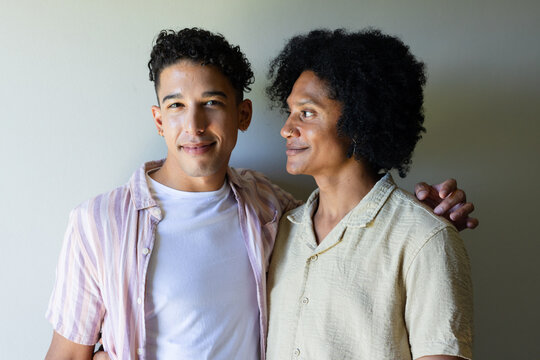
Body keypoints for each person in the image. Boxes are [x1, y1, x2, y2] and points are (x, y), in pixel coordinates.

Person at [45, 28, 476, 360]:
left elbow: (377, 228)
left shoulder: (271, 211)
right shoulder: (100, 222)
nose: (193, 126)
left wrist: (423, 224)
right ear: (159, 119)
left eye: (211, 102)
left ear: (242, 113)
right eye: (176, 105)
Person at [265, 28, 474, 360]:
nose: (286, 129)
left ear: (359, 124)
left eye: (307, 113)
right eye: (290, 112)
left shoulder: (425, 237)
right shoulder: (280, 230)